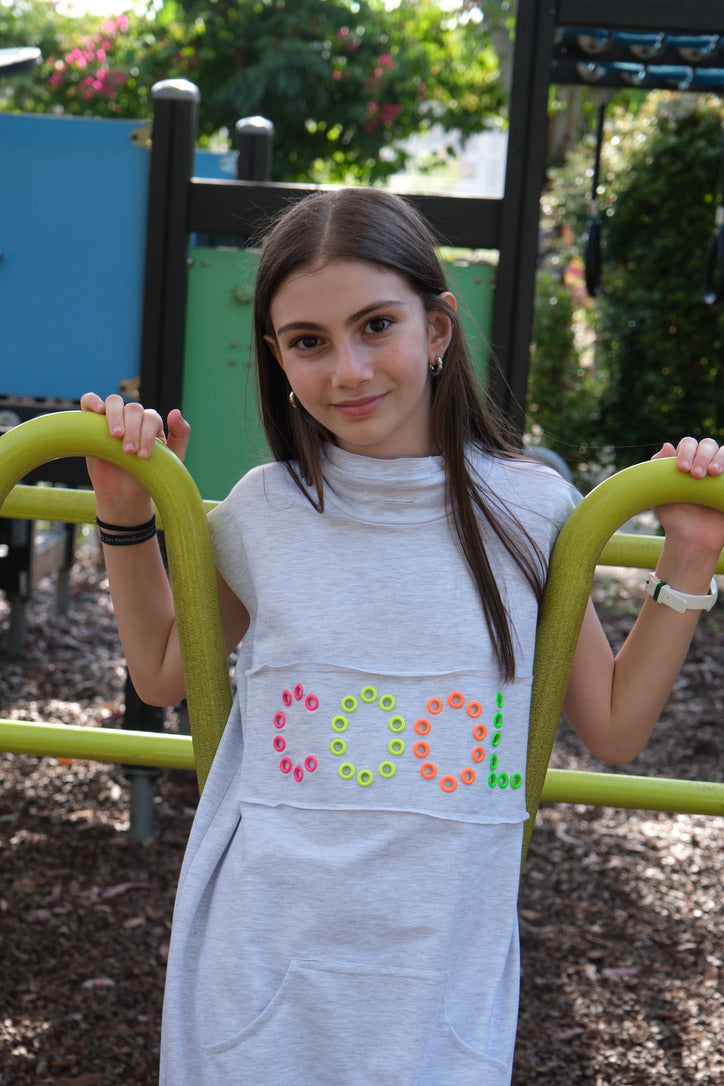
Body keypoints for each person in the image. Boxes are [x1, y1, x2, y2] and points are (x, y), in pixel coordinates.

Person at [81, 187, 724, 1086]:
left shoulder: (532, 510)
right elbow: (158, 673)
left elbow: (613, 726)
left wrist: (689, 560)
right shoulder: (268, 509)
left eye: (375, 325)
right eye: (308, 341)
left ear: (438, 328)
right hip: (263, 957)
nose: (346, 369)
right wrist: (128, 518)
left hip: (437, 970)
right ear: (276, 356)